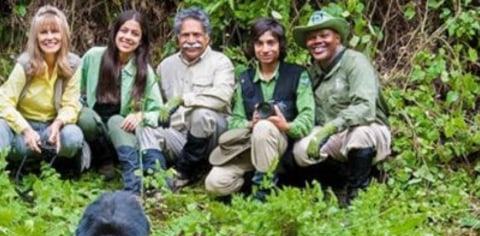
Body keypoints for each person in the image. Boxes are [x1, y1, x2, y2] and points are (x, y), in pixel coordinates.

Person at [204, 17, 315, 199]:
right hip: (249, 146)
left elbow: (308, 116)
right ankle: (256, 180)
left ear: (280, 44)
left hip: (284, 145)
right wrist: (250, 123)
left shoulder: (297, 75)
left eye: (271, 43)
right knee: (215, 184)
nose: (265, 49)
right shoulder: (244, 79)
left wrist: (285, 126)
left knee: (265, 127)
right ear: (253, 46)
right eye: (259, 43)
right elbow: (234, 121)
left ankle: (263, 194)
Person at [289, 10, 391, 205]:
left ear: (337, 38)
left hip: (369, 128)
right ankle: (336, 184)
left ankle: (356, 199)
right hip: (333, 134)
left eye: (324, 35)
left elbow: (365, 107)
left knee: (360, 134)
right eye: (312, 38)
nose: (317, 41)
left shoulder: (355, 62)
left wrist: (331, 127)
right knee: (301, 150)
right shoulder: (312, 73)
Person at [137, 7, 235, 192]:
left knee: (201, 114)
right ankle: (156, 178)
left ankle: (185, 172)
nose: (191, 41)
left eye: (197, 35)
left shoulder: (220, 62)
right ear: (177, 38)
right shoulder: (166, 66)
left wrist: (183, 99)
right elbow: (156, 104)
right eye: (185, 35)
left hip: (213, 139)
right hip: (179, 135)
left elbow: (222, 97)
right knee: (145, 126)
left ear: (207, 37)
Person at [0, 6, 85, 174]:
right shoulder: (25, 64)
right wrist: (26, 130)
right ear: (35, 37)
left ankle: (54, 166)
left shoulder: (73, 65)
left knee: (73, 136)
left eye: (55, 32)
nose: (50, 37)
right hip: (21, 129)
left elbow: (71, 104)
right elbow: (3, 103)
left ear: (63, 35)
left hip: (50, 129)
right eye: (44, 32)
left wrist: (57, 125)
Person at [78, 10, 165, 194]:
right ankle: (103, 161)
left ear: (141, 40)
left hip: (121, 134)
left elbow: (159, 111)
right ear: (115, 32)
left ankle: (132, 181)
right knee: (84, 116)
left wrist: (140, 116)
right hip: (94, 130)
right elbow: (72, 90)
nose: (127, 37)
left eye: (135, 34)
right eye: (124, 31)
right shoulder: (94, 56)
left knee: (116, 120)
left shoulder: (144, 71)